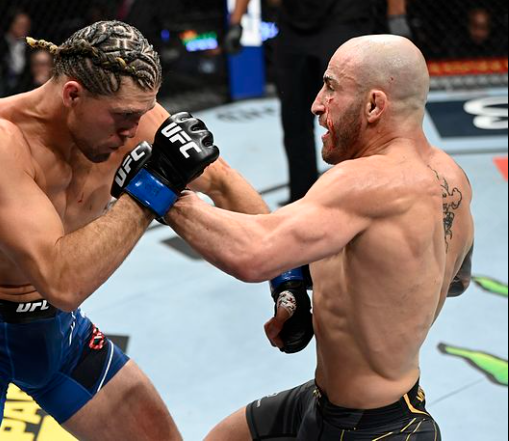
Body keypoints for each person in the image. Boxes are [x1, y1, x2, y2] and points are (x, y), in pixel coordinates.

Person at [0, 20, 270, 441]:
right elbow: (62, 282)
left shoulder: (131, 114)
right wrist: (151, 188)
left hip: (60, 334)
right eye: (123, 117)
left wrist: (287, 280)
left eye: (142, 114)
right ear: (73, 95)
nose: (133, 131)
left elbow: (223, 183)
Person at [167, 35, 474, 440]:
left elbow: (253, 254)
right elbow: (455, 280)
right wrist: (300, 288)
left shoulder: (362, 180)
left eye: (331, 87)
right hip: (372, 402)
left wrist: (161, 192)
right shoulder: (453, 178)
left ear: (374, 105)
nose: (316, 103)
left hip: (369, 429)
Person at [225, 0, 411, 204]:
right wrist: (236, 21)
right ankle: (302, 198)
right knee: (293, 116)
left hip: (344, 15)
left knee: (350, 115)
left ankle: (360, 194)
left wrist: (397, 16)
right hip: (294, 22)